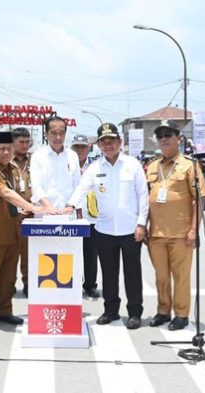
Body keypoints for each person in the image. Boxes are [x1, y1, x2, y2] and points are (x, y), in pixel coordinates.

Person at [64, 123, 148, 330]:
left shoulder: (133, 165)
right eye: (104, 142)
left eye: (112, 141)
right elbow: (81, 190)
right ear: (99, 145)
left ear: (120, 142)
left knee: (132, 274)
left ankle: (135, 313)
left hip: (130, 230)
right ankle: (111, 311)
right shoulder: (95, 168)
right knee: (108, 274)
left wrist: (141, 224)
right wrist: (69, 206)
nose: (108, 145)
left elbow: (143, 196)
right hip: (104, 230)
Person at [145, 122, 205, 330]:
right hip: (156, 233)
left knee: (181, 276)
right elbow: (145, 198)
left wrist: (193, 230)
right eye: (160, 135)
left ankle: (181, 314)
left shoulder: (190, 165)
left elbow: (199, 200)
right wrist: (143, 225)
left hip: (181, 233)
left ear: (178, 139)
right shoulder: (153, 166)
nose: (163, 138)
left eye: (168, 134)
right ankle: (163, 311)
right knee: (161, 276)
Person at [0, 132, 45, 329]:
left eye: (9, 148)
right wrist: (32, 207)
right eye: (2, 148)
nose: (6, 152)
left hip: (13, 232)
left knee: (9, 278)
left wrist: (23, 209)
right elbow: (6, 193)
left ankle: (5, 311)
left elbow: (14, 196)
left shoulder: (12, 170)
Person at [30, 116, 80, 213]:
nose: (58, 137)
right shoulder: (38, 156)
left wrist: (71, 206)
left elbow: (77, 186)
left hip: (68, 214)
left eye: (61, 133)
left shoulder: (73, 156)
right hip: (45, 214)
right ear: (46, 134)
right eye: (53, 133)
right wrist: (48, 207)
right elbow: (36, 186)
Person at [71, 134, 99, 299]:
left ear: (89, 148)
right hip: (70, 217)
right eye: (76, 147)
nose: (80, 149)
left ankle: (90, 285)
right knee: (71, 253)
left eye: (83, 146)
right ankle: (72, 284)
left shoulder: (95, 167)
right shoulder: (67, 166)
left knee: (90, 253)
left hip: (90, 217)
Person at [11, 127, 32, 297]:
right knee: (9, 255)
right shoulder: (4, 163)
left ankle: (28, 283)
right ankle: (8, 285)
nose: (25, 145)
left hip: (31, 216)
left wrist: (30, 206)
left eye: (27, 142)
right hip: (9, 216)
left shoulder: (35, 162)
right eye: (21, 142)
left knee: (28, 254)